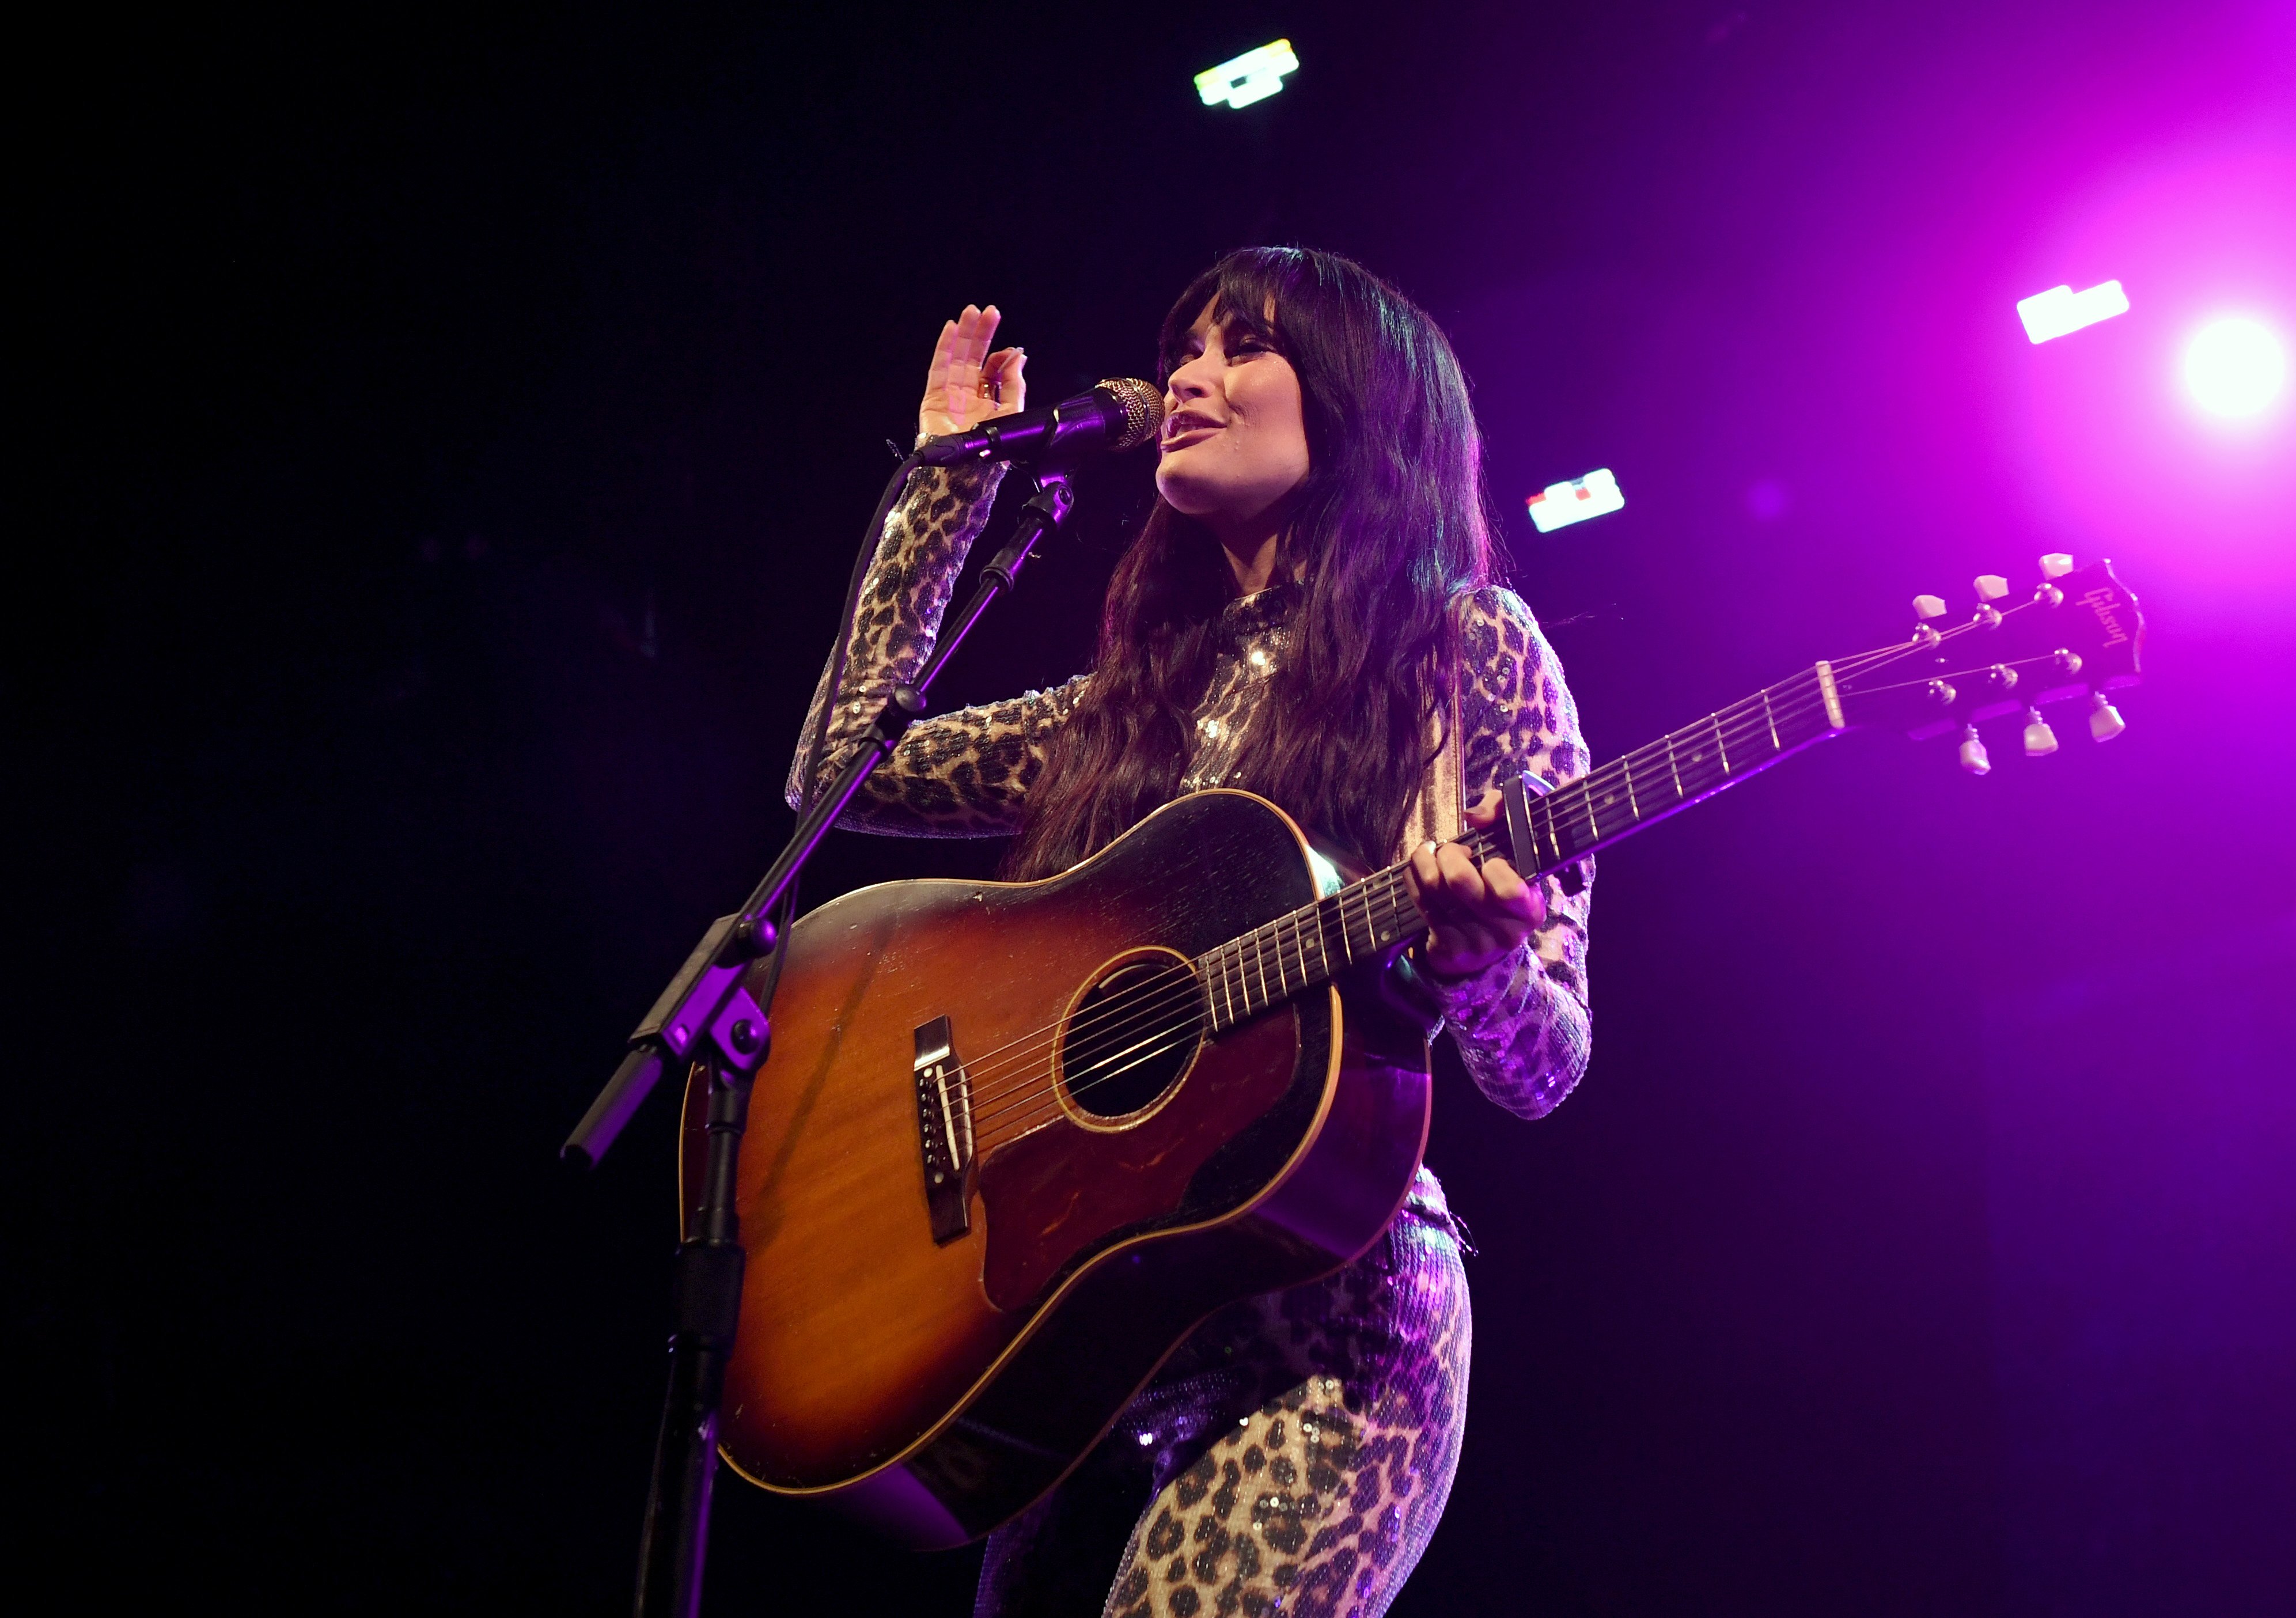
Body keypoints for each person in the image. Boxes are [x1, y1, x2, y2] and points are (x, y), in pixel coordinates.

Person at [787, 247, 1593, 1618]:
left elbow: (1545, 1062)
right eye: (1184, 352)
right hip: (1094, 1332)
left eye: (1243, 348)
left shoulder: (1465, 648)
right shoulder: (1134, 700)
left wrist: (1483, 965)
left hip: (1327, 1337)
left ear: (1356, 402)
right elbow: (838, 770)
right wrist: (947, 481)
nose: (1189, 380)